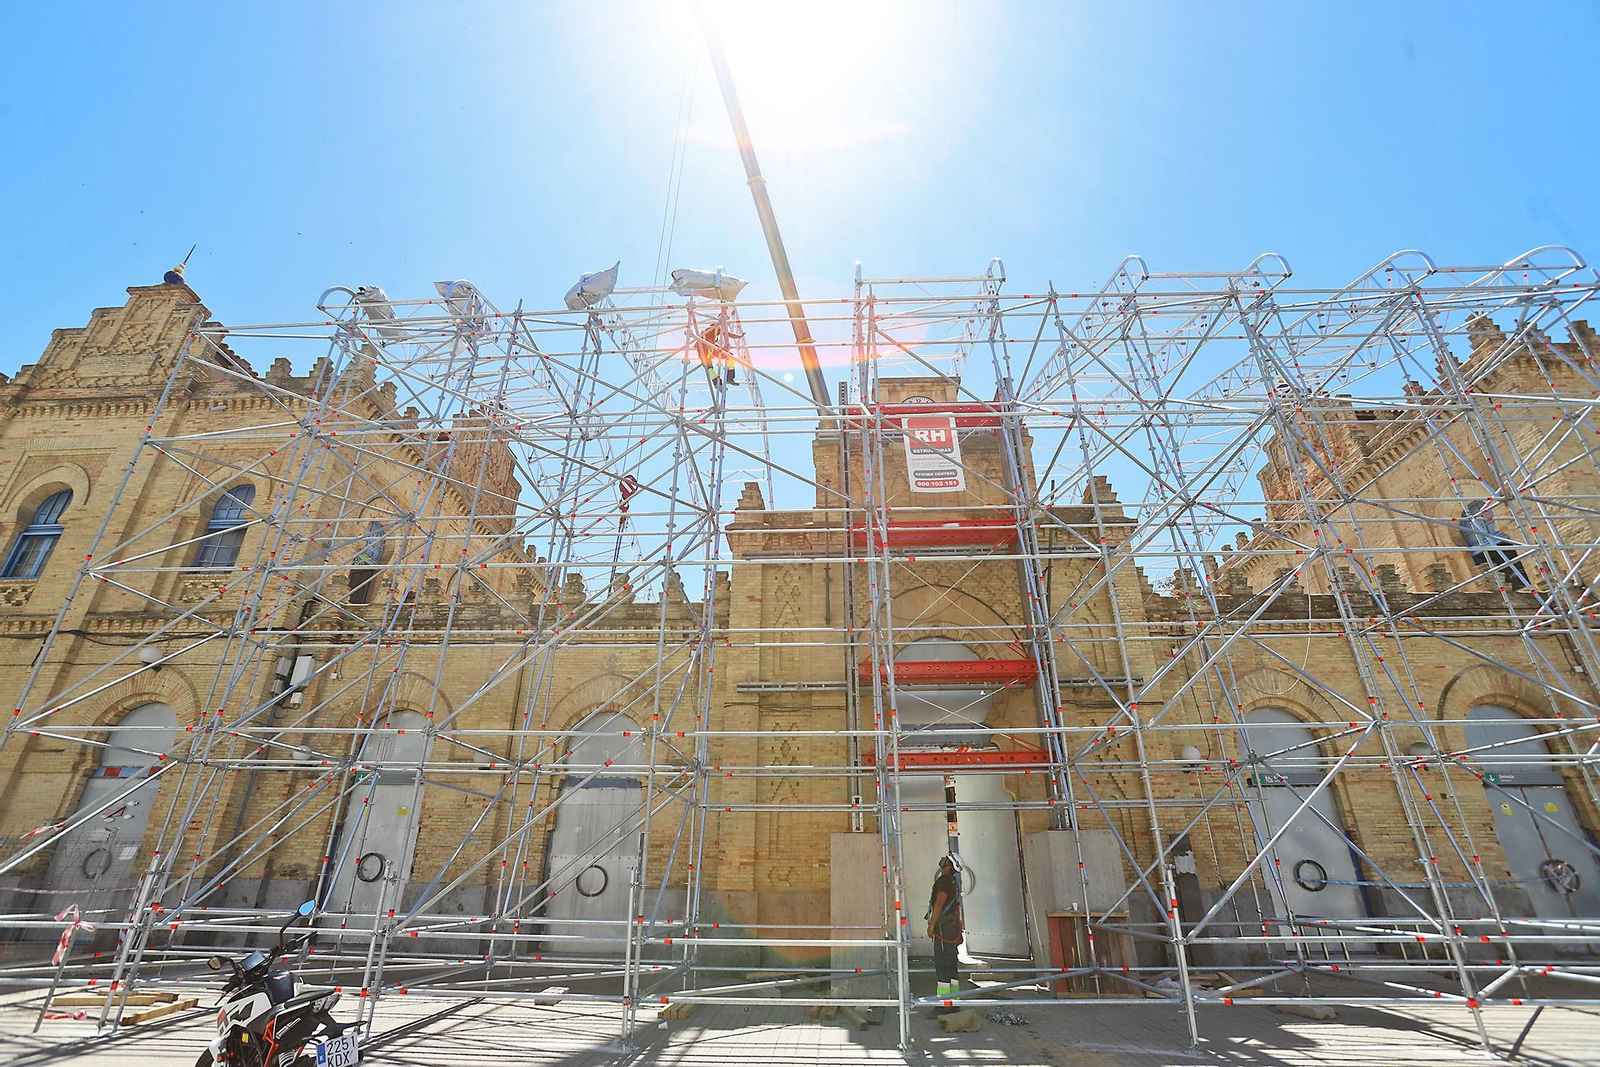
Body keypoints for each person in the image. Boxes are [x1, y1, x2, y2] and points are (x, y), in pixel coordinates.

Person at [926, 853, 964, 1011]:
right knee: (952, 965)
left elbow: (939, 903)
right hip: (952, 927)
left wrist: (931, 924)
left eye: (945, 858)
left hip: (944, 929)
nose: (942, 858)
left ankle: (943, 1005)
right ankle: (954, 1003)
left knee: (943, 965)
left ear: (949, 864)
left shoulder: (943, 881)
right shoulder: (953, 882)